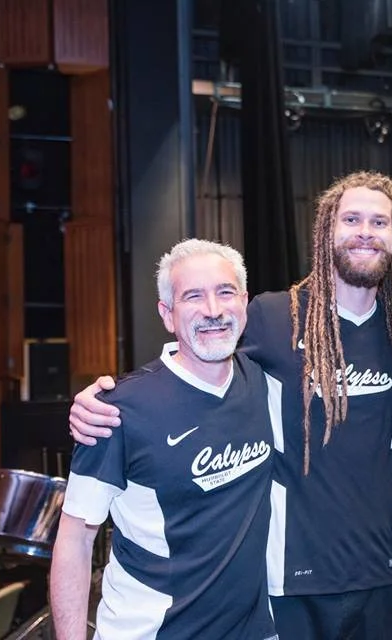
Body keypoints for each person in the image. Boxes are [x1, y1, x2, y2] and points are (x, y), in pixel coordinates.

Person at [67, 171, 392, 639]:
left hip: (380, 575)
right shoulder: (274, 316)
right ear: (325, 231)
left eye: (380, 223)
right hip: (289, 586)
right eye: (351, 219)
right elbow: (199, 352)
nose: (365, 232)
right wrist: (99, 397)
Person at [49, 239, 278, 639]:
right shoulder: (115, 408)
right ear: (168, 315)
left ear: (244, 302)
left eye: (225, 292)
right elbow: (75, 541)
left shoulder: (264, 381)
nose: (213, 310)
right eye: (193, 296)